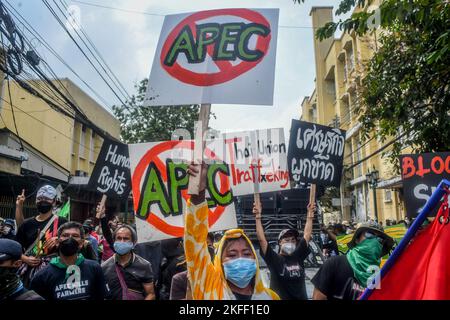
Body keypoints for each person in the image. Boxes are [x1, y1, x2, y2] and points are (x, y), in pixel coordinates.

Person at [184, 162, 279, 300]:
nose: (240, 259)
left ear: (255, 259)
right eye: (232, 255)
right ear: (219, 262)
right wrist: (198, 193)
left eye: (246, 253)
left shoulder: (270, 297)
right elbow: (194, 243)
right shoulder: (209, 287)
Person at [311, 221, 394, 300]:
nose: (374, 241)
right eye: (369, 234)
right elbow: (318, 297)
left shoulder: (382, 275)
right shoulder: (334, 264)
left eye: (380, 239)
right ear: (357, 240)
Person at [253, 197, 314, 300]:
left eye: (292, 240)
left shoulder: (298, 256)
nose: (290, 242)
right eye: (286, 240)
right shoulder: (274, 259)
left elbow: (307, 234)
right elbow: (262, 240)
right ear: (280, 242)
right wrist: (258, 217)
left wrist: (310, 215)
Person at [30, 222, 107, 300]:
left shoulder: (94, 268)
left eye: (75, 236)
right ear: (57, 242)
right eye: (65, 235)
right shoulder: (42, 276)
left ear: (81, 243)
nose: (70, 238)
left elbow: (101, 296)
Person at [15, 185, 68, 288]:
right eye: (40, 199)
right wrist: (25, 258)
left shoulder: (62, 222)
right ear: (36, 201)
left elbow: (73, 241)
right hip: (29, 274)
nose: (43, 201)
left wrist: (59, 239)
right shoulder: (27, 224)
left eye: (47, 199)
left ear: (53, 202)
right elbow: (16, 248)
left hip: (55, 272)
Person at [101, 223, 156, 300]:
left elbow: (150, 294)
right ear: (114, 241)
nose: (122, 241)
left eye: (126, 239)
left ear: (133, 242)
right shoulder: (104, 267)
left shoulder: (144, 265)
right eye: (119, 238)